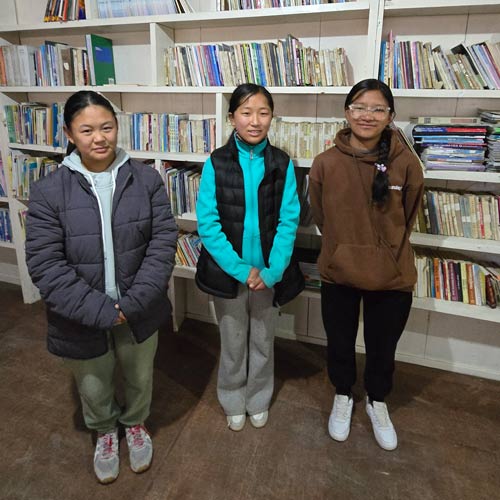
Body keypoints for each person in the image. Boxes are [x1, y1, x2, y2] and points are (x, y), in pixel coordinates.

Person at [25, 90, 178, 483]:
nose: (99, 137)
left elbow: (162, 244)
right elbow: (45, 264)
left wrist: (134, 302)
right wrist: (100, 311)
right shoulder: (47, 191)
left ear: (117, 127)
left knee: (140, 375)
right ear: (69, 134)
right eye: (87, 129)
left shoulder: (146, 179)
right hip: (80, 315)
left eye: (107, 127)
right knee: (92, 383)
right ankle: (106, 431)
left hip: (138, 308)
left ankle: (135, 422)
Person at [309, 79, 424, 451]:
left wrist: (383, 251)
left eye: (378, 108)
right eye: (359, 106)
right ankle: (343, 394)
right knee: (339, 343)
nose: (367, 115)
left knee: (382, 348)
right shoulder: (325, 162)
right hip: (339, 271)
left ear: (391, 116)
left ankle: (377, 400)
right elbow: (321, 216)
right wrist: (344, 248)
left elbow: (408, 217)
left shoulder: (406, 163)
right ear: (346, 112)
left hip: (391, 276)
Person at [195, 83, 304, 431]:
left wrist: (271, 272)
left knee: (262, 340)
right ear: (231, 118)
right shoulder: (216, 162)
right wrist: (243, 270)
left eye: (263, 112)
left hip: (270, 276)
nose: (255, 121)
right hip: (230, 274)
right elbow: (208, 223)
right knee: (232, 341)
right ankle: (231, 398)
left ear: (272, 117)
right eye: (246, 112)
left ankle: (258, 398)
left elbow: (289, 221)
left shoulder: (283, 162)